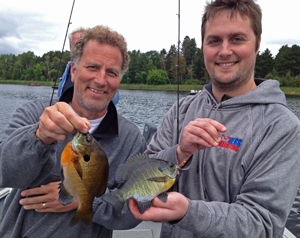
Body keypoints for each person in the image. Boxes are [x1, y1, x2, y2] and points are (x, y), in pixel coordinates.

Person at [129, 0, 300, 237]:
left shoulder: (282, 126)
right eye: (214, 40)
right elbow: (141, 174)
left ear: (258, 44)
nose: (224, 51)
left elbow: (263, 224)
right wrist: (179, 152)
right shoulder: (182, 109)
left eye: (237, 39)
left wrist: (187, 213)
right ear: (203, 47)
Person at [0, 25, 146, 238]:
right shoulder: (34, 113)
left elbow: (135, 211)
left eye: (112, 72)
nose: (101, 80)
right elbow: (5, 173)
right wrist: (40, 137)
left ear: (119, 79)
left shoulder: (130, 138)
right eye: (93, 67)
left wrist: (84, 201)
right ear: (74, 70)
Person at [57, 27, 120, 105]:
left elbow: (114, 100)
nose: (79, 48)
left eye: (83, 44)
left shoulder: (104, 72)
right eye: (76, 44)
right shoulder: (68, 69)